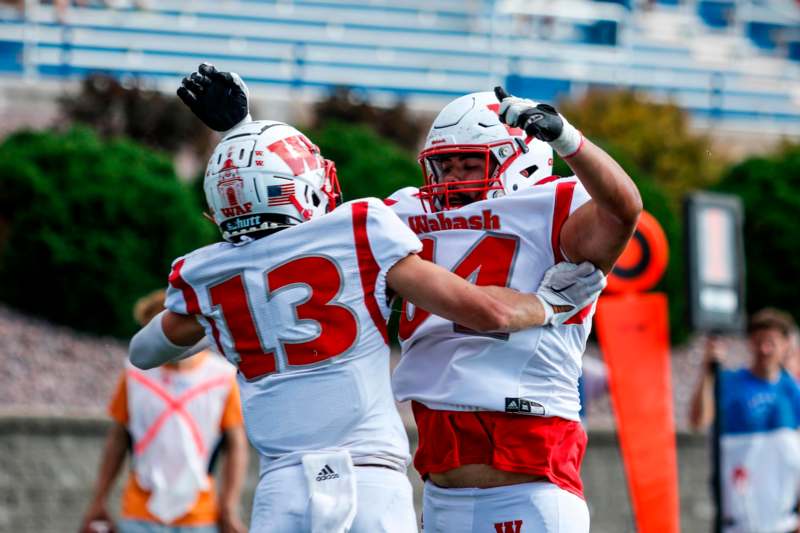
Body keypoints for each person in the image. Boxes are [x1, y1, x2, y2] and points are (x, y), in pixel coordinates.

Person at [177, 64, 640, 532]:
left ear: (521, 159)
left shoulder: (554, 205)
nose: (454, 178)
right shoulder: (403, 211)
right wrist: (243, 131)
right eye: (446, 164)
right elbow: (300, 240)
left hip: (530, 470)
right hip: (440, 480)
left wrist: (566, 137)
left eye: (469, 164)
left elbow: (624, 209)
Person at [79, 289, 248, 533]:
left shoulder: (221, 377)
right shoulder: (136, 375)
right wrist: (98, 499)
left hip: (199, 515)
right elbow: (118, 437)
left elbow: (236, 445)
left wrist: (229, 506)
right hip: (140, 512)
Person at [689, 308, 800, 533]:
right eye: (758, 341)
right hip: (740, 524)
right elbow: (698, 421)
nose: (764, 349)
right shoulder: (731, 382)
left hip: (783, 523)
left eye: (771, 342)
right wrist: (708, 372)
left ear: (785, 345)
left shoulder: (791, 390)